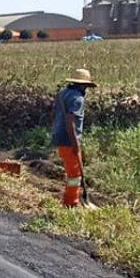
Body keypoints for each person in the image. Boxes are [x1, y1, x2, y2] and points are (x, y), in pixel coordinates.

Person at [50, 68, 97, 208]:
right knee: (74, 174)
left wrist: (55, 129)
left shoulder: (62, 94)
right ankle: (71, 203)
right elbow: (70, 120)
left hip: (59, 136)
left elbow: (52, 113)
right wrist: (74, 143)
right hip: (69, 139)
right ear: (83, 85)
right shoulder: (78, 98)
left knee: (73, 172)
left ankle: (74, 199)